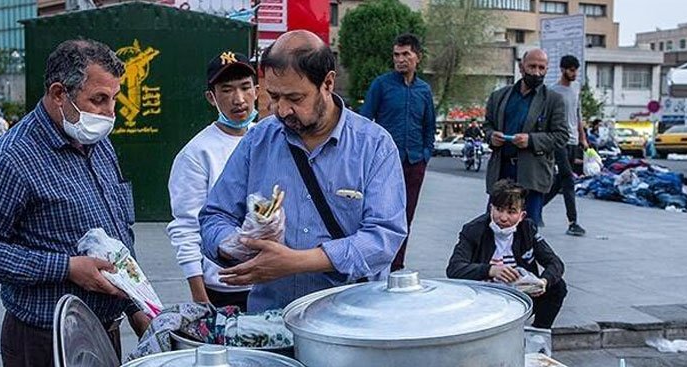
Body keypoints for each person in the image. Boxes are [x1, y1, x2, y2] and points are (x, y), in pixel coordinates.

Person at [0, 39, 149, 367]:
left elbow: (118, 237)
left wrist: (136, 306)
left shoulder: (97, 144)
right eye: (98, 100)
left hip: (105, 333)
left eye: (113, 99)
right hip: (45, 343)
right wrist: (67, 267)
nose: (110, 113)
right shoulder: (11, 159)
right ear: (59, 94)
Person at [199, 30, 407, 312]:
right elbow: (214, 216)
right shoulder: (258, 140)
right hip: (271, 320)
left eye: (295, 98)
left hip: (350, 320)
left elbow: (383, 238)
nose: (282, 110)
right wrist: (235, 244)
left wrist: (298, 262)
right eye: (273, 96)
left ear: (328, 83)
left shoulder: (374, 146)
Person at [167, 52, 257, 310]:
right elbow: (186, 227)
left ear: (257, 90)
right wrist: (200, 298)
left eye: (244, 87)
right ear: (212, 97)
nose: (238, 99)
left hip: (271, 281)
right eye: (226, 90)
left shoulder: (268, 139)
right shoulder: (197, 153)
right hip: (224, 288)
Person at [446, 180, 567, 330]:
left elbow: (555, 263)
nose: (503, 218)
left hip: (520, 295)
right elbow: (454, 269)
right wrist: (490, 270)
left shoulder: (527, 230)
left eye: (511, 212)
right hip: (484, 297)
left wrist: (544, 281)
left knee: (558, 286)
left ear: (521, 215)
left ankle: (538, 333)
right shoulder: (474, 230)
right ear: (491, 209)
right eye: (499, 209)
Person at [361, 33, 436, 271]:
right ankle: (376, 263)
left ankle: (396, 265)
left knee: (406, 217)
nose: (400, 59)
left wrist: (425, 154)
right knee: (380, 214)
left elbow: (429, 126)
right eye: (396, 55)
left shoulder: (424, 90)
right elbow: (365, 122)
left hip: (414, 162)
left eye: (406, 54)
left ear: (418, 57)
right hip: (383, 163)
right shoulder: (381, 85)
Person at [483, 48, 569, 227]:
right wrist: (491, 136)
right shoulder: (499, 96)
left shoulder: (553, 100)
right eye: (532, 67)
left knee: (527, 230)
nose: (537, 72)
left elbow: (561, 136)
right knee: (494, 225)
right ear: (521, 67)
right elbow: (487, 126)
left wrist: (531, 140)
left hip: (532, 175)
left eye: (541, 68)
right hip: (502, 170)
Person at [543, 55, 587, 236]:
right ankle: (573, 222)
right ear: (562, 70)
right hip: (559, 140)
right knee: (568, 178)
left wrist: (583, 138)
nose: (574, 73)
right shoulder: (552, 91)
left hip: (574, 140)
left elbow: (578, 115)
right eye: (571, 70)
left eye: (576, 70)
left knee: (560, 180)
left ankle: (533, 208)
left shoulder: (576, 88)